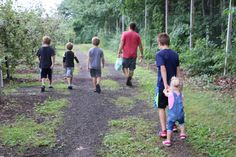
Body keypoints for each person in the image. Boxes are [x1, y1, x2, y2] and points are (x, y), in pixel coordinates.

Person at [154, 33, 180, 138]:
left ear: (160, 43)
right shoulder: (175, 54)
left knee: (161, 107)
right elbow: (178, 70)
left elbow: (163, 68)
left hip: (162, 86)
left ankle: (164, 130)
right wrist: (177, 83)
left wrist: (165, 85)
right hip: (174, 85)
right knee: (171, 105)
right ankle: (173, 125)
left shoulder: (159, 54)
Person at [117, 22, 143, 87]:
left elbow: (121, 44)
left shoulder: (125, 34)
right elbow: (140, 46)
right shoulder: (137, 35)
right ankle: (129, 78)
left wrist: (119, 52)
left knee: (124, 67)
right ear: (134, 28)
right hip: (134, 55)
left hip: (125, 54)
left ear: (129, 27)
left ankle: (127, 77)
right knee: (132, 69)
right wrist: (141, 54)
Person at [162, 77, 186, 146]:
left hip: (172, 115)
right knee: (181, 123)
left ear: (171, 86)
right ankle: (182, 134)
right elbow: (182, 103)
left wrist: (165, 90)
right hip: (181, 114)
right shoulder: (181, 95)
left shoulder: (170, 94)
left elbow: (165, 94)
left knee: (169, 127)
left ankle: (168, 141)